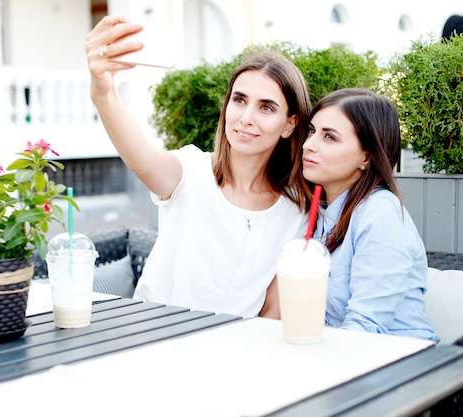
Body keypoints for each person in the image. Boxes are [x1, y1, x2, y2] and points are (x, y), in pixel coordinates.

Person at [85, 15, 311, 318]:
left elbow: (272, 309)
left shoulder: (295, 209)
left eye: (266, 107)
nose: (246, 117)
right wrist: (103, 92)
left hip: (233, 352)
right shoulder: (191, 170)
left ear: (289, 124)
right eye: (239, 100)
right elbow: (142, 158)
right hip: (154, 339)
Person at [300, 88, 440, 342]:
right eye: (311, 131)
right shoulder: (319, 214)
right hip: (347, 355)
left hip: (405, 364)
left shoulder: (379, 213)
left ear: (366, 156)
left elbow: (366, 326)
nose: (309, 146)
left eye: (329, 137)